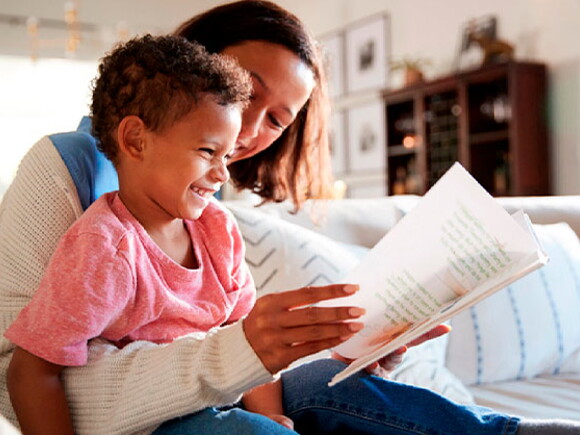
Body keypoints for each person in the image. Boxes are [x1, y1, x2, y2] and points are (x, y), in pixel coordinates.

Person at [0, 1, 578, 434]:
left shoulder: (207, 213)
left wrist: (359, 347)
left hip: (222, 398)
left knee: (330, 387)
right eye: (246, 94)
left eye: (277, 119)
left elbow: (234, 340)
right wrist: (240, 358)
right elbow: (25, 371)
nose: (248, 133)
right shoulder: (86, 203)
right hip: (153, 419)